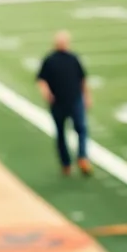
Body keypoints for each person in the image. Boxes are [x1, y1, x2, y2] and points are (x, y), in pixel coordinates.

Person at [36, 31, 92, 176]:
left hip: (75, 99)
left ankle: (82, 157)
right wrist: (46, 93)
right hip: (58, 102)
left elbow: (82, 78)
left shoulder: (73, 58)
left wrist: (86, 96)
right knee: (61, 133)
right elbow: (41, 79)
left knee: (81, 129)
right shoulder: (49, 60)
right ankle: (66, 163)